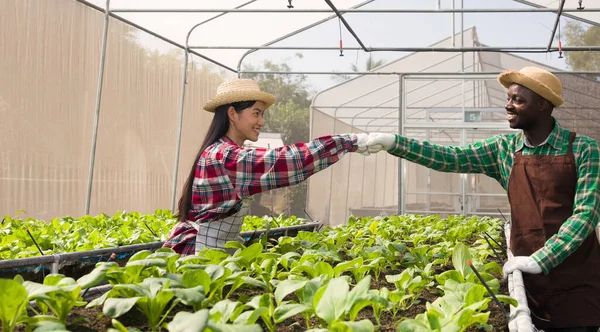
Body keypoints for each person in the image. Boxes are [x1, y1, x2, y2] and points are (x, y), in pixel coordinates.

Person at [365, 66, 600, 331]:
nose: (508, 106)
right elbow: (450, 156)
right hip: (528, 279)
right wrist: (394, 143)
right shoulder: (504, 149)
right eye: (509, 98)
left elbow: (586, 213)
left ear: (544, 105)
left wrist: (542, 259)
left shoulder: (583, 149)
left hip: (577, 280)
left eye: (518, 100)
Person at [163, 78, 369, 256]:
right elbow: (289, 162)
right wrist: (349, 141)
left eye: (262, 114)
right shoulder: (225, 156)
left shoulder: (221, 151)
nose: (261, 122)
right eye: (256, 113)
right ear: (233, 113)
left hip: (216, 255)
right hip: (202, 259)